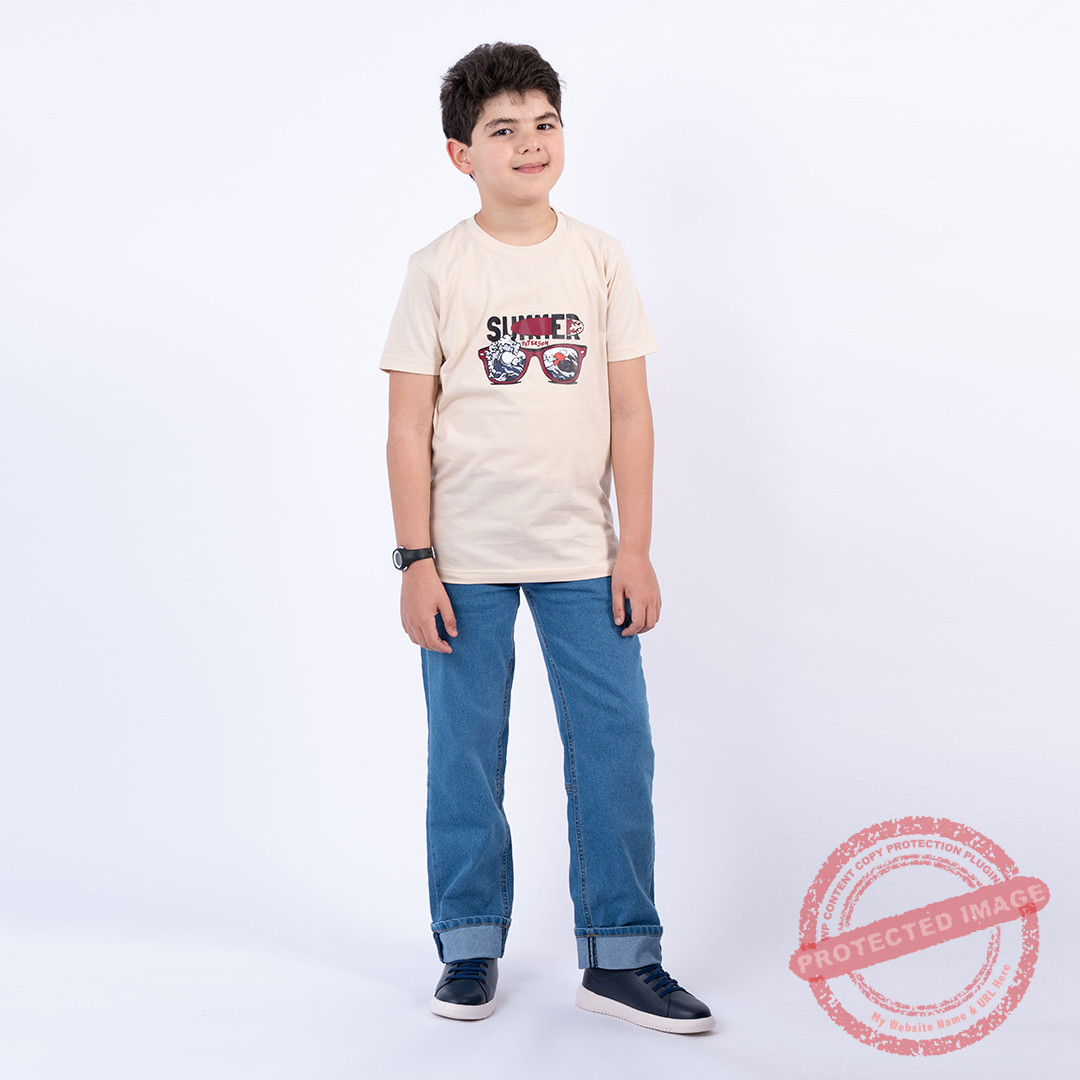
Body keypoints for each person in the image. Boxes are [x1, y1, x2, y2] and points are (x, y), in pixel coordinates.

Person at [379, 41, 714, 1035]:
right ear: (461, 154)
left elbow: (632, 411)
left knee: (615, 749)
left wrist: (633, 546)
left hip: (583, 556)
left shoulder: (599, 258)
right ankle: (469, 942)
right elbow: (405, 425)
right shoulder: (437, 269)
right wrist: (415, 561)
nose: (530, 143)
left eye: (545, 123)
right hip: (462, 563)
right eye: (504, 130)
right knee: (463, 758)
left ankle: (621, 954)